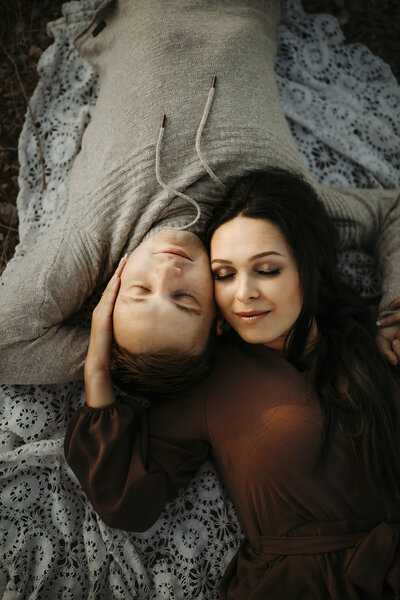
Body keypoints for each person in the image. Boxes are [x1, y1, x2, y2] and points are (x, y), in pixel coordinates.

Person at [1, 0, 400, 387]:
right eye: (185, 299)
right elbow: (392, 210)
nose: (166, 271)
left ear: (110, 294)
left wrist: (109, 352)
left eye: (139, 291)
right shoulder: (283, 221)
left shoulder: (96, 237)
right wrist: (394, 310)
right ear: (219, 316)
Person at [65, 168, 400, 599]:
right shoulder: (212, 381)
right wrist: (96, 364)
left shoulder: (375, 338)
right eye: (224, 274)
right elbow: (127, 501)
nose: (243, 294)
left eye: (267, 270)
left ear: (307, 266)